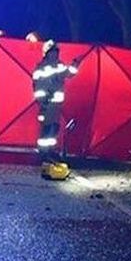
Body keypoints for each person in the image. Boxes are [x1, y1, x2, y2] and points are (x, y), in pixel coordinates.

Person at [32, 40, 80, 179]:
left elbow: (68, 74)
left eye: (56, 53)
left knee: (54, 127)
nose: (54, 55)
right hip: (46, 104)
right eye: (52, 53)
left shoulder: (59, 65)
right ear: (47, 54)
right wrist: (43, 100)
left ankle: (49, 151)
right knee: (46, 128)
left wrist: (75, 64)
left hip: (56, 105)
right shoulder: (41, 68)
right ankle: (43, 152)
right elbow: (37, 85)